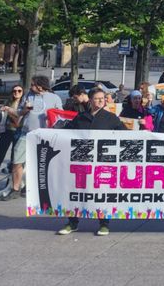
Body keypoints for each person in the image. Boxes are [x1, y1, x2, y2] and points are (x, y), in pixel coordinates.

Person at [57, 88, 125, 236]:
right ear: (90, 100)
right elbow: (66, 133)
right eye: (97, 98)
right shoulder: (81, 117)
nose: (101, 101)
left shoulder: (111, 118)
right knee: (77, 191)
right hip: (81, 164)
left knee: (102, 193)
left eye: (103, 98)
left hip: (102, 164)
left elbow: (125, 136)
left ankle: (104, 223)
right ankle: (72, 222)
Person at [2, 75, 61, 201]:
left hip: (45, 135)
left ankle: (34, 188)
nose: (31, 86)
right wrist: (23, 110)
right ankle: (15, 189)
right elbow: (19, 113)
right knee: (17, 161)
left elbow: (60, 116)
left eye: (33, 84)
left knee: (40, 164)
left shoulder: (54, 98)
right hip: (26, 133)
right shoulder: (28, 95)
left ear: (40, 86)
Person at [0, 85, 24, 189]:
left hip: (18, 132)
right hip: (6, 131)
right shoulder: (8, 102)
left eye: (19, 91)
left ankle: (10, 183)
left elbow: (20, 118)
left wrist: (10, 111)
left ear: (22, 92)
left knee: (15, 159)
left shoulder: (24, 104)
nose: (16, 93)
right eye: (14, 91)